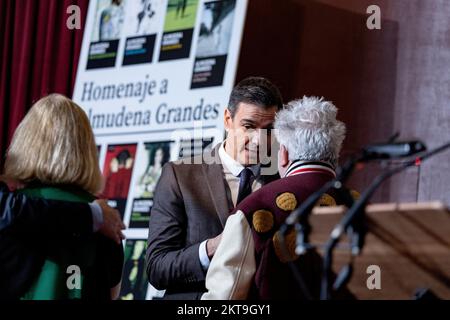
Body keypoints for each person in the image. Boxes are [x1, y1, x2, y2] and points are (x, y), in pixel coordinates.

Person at [202, 96, 354, 300]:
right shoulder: (360, 205)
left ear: (283, 154)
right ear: (336, 152)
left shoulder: (255, 206)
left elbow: (224, 296)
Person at [146, 77, 283, 299]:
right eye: (248, 126)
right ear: (228, 119)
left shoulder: (281, 182)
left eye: (268, 129)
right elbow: (157, 268)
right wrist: (212, 248)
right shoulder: (180, 175)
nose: (259, 140)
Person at [1, 94, 124, 300]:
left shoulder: (13, 213)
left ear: (26, 145)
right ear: (87, 149)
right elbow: (112, 294)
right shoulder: (107, 218)